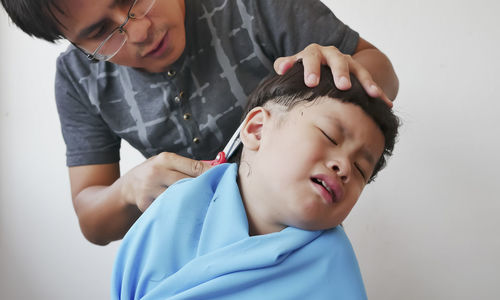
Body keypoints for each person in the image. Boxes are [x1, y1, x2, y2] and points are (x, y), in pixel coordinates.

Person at [0, 0, 399, 245]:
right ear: (73, 43)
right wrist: (128, 191)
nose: (139, 30)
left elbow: (382, 73)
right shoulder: (77, 80)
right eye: (102, 33)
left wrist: (343, 70)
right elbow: (91, 219)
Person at [111, 61, 399, 299]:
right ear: (258, 129)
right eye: (330, 136)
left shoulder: (334, 269)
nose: (345, 167)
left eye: (361, 170)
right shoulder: (176, 207)